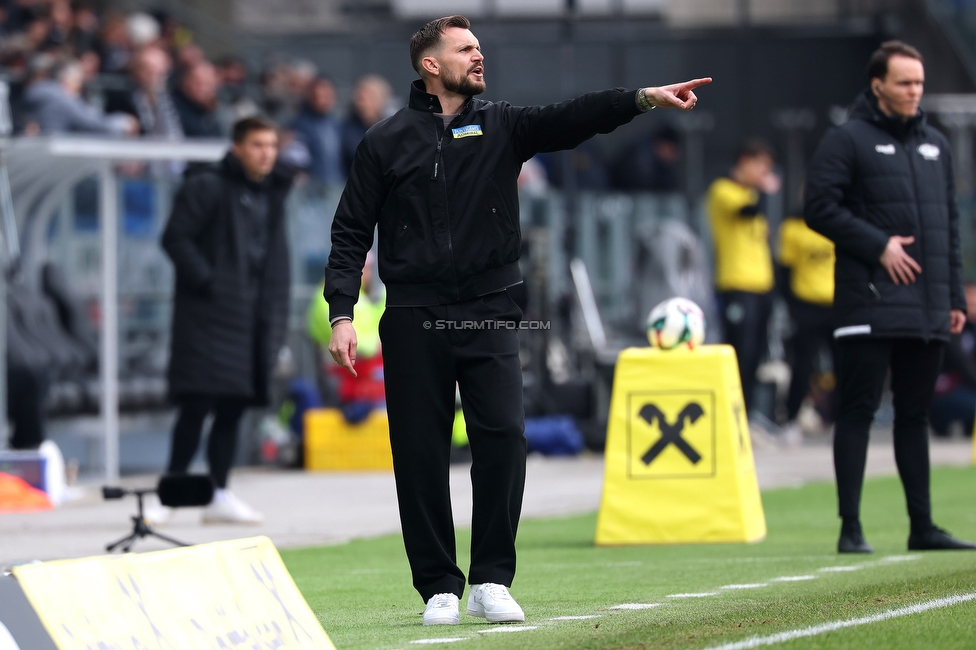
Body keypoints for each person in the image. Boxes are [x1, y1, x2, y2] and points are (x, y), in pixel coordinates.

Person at [325, 14, 709, 626]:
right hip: (413, 314)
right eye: (465, 49)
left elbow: (572, 116)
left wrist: (640, 99)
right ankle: (439, 587)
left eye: (479, 47)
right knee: (419, 451)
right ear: (431, 64)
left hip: (492, 306)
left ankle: (490, 579)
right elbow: (350, 231)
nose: (479, 56)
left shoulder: (502, 123)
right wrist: (342, 312)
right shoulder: (384, 140)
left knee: (504, 437)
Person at [805, 40, 976, 554]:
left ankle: (922, 527)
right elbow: (818, 208)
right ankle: (850, 528)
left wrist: (954, 298)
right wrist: (878, 245)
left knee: (915, 414)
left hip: (927, 304)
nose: (914, 91)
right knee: (857, 409)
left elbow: (949, 226)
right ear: (877, 84)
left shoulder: (936, 145)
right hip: (869, 300)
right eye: (904, 83)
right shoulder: (846, 139)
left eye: (919, 83)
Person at [152, 116, 294, 525]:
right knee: (197, 402)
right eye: (257, 145)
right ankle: (170, 492)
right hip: (208, 317)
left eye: (272, 146)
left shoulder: (273, 194)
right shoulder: (207, 185)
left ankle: (218, 494)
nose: (266, 154)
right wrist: (210, 282)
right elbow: (175, 238)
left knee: (234, 406)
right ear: (237, 148)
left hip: (253, 318)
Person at [706, 139, 780, 415]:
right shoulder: (723, 190)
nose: (764, 174)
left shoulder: (752, 196)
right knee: (740, 352)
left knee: (757, 354)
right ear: (745, 162)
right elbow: (746, 212)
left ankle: (746, 414)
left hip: (762, 286)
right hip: (736, 284)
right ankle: (730, 412)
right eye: (761, 167)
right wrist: (764, 190)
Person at [778, 210, 836, 439]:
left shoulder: (839, 224)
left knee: (845, 364)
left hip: (836, 305)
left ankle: (839, 418)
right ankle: (791, 419)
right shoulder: (794, 228)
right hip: (807, 305)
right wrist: (793, 306)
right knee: (803, 365)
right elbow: (785, 271)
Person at [25, 58, 135, 134]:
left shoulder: (41, 96)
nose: (80, 87)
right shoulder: (62, 100)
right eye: (78, 81)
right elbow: (94, 125)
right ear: (66, 80)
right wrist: (123, 122)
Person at [290, 75, 344, 185]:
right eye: (321, 96)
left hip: (336, 183)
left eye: (328, 96)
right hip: (313, 185)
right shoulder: (300, 125)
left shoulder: (336, 123)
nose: (325, 100)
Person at [341, 74, 393, 176]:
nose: (362, 102)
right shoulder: (346, 128)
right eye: (360, 97)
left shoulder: (390, 128)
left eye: (370, 96)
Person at [172, 59, 224, 138]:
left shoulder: (215, 112)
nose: (202, 89)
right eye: (198, 83)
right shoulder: (172, 108)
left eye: (208, 84)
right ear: (185, 81)